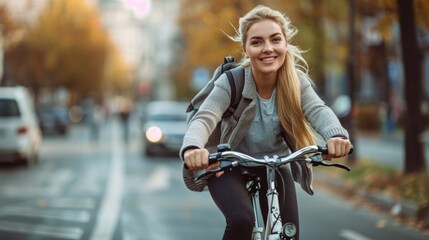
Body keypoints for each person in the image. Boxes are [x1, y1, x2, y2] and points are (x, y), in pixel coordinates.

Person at [180, 5, 352, 240]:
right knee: (242, 220)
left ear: (285, 44)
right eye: (257, 42)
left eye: (275, 39)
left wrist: (337, 136)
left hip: (275, 164)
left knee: (289, 233)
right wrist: (193, 148)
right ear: (246, 49)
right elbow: (204, 118)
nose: (267, 48)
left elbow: (318, 110)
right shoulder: (231, 82)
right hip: (229, 166)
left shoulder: (295, 82)